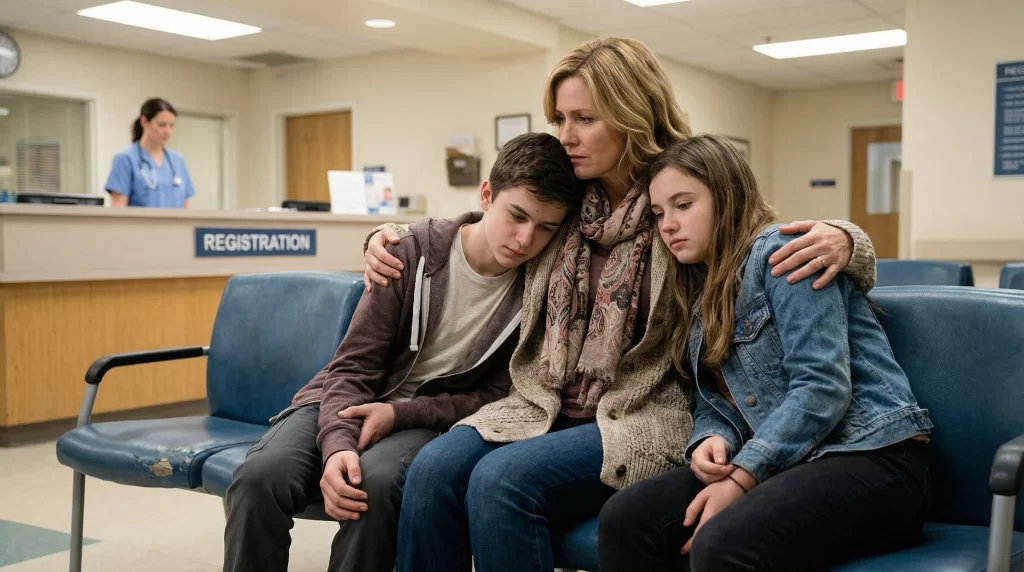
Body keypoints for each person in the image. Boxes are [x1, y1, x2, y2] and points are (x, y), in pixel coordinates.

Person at [362, 38, 878, 572]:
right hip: (542, 403)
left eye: (584, 118)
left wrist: (847, 237)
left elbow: (757, 234)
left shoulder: (675, 194)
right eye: (560, 118)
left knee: (500, 482)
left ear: (632, 113)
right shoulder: (565, 198)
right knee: (432, 469)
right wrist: (392, 235)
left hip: (640, 413)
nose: (566, 136)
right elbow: (490, 219)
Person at [221, 132, 580, 572]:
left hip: (424, 417)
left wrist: (399, 415)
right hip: (343, 397)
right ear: (487, 194)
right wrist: (337, 446)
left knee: (372, 486)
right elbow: (353, 364)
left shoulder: (542, 292)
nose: (526, 239)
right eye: (517, 216)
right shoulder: (409, 251)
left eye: (546, 227)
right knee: (259, 478)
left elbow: (494, 395)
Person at [598, 134, 933, 571]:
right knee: (625, 519)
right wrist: (712, 437)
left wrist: (741, 477)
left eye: (684, 205)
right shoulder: (697, 288)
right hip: (788, 460)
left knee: (722, 543)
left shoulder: (782, 253)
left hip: (875, 457)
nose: (668, 225)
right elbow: (718, 399)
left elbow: (823, 388)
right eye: (659, 213)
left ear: (728, 198)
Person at [105, 98, 195, 208]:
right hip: (139, 225)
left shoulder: (178, 160)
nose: (168, 131)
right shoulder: (125, 158)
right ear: (144, 121)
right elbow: (118, 207)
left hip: (176, 225)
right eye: (162, 125)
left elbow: (186, 205)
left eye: (171, 125)